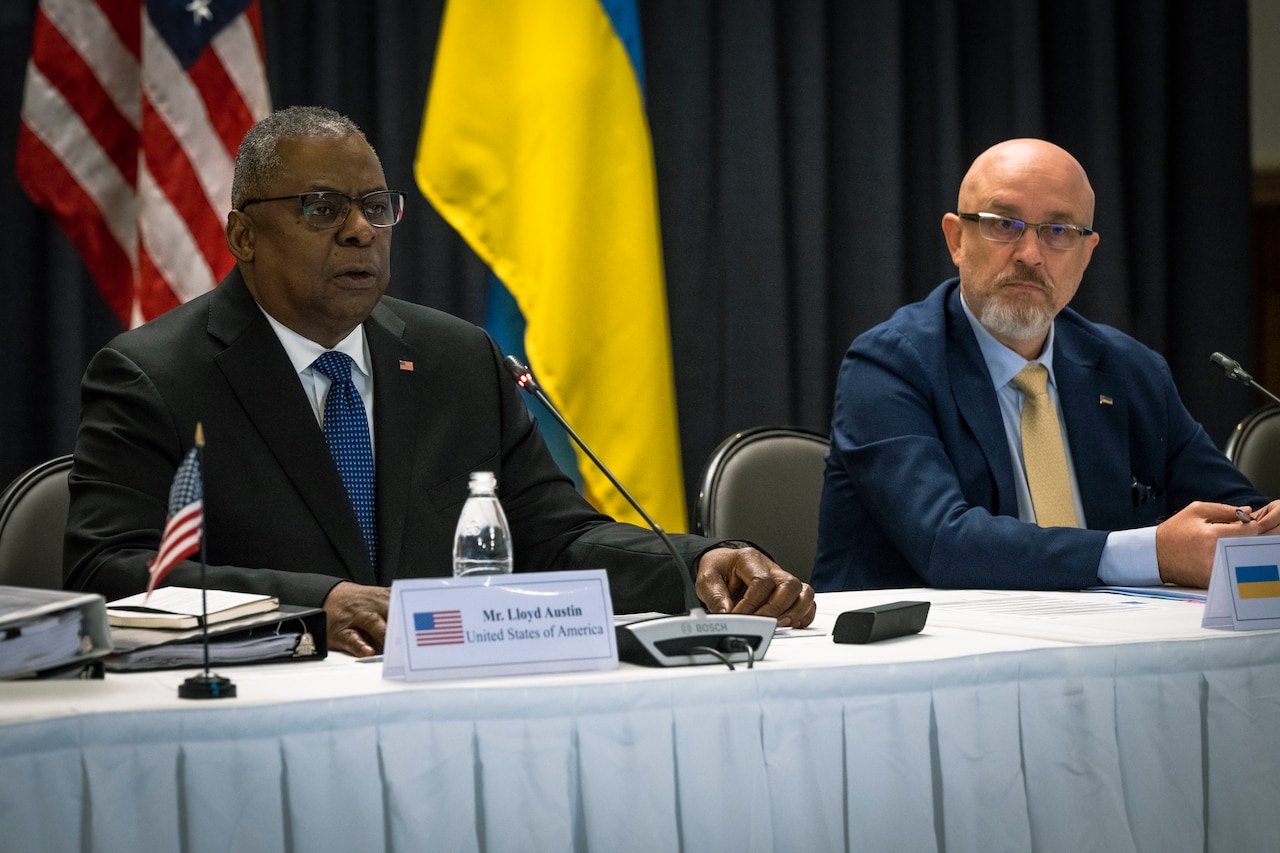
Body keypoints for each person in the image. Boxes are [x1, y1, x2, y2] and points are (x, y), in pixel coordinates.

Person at [64, 106, 815, 655]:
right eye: (320, 208)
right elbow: (108, 569)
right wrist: (312, 605)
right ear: (243, 235)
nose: (359, 231)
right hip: (255, 714)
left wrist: (702, 561)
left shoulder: (459, 360)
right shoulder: (154, 375)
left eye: (374, 207)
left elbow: (559, 537)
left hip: (450, 709)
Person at [812, 137, 1280, 592]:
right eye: (1003, 224)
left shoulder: (1132, 371)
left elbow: (1241, 511)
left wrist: (1260, 529)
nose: (1030, 254)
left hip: (1111, 646)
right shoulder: (889, 365)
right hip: (922, 659)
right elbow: (944, 544)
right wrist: (1151, 553)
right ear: (956, 239)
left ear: (1086, 253)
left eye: (1058, 231)